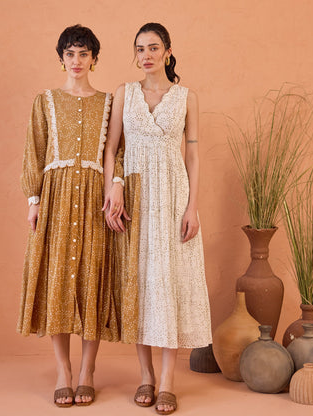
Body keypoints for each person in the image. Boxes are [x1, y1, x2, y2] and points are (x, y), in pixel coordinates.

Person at [103, 22, 212, 415]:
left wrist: (192, 207)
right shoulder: (124, 93)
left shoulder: (187, 97)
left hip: (173, 197)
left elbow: (193, 155)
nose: (146, 55)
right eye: (139, 48)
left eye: (153, 47)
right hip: (134, 198)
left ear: (167, 51)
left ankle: (167, 381)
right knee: (140, 283)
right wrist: (112, 189)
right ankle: (145, 375)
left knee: (169, 283)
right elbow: (111, 148)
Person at [17, 24, 120, 407]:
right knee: (57, 280)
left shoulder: (109, 102)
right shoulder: (44, 101)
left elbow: (118, 151)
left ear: (94, 58)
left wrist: (115, 187)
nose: (77, 61)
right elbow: (34, 149)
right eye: (70, 54)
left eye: (84, 54)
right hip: (56, 199)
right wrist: (34, 199)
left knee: (92, 278)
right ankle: (63, 370)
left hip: (94, 198)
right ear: (61, 58)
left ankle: (88, 371)